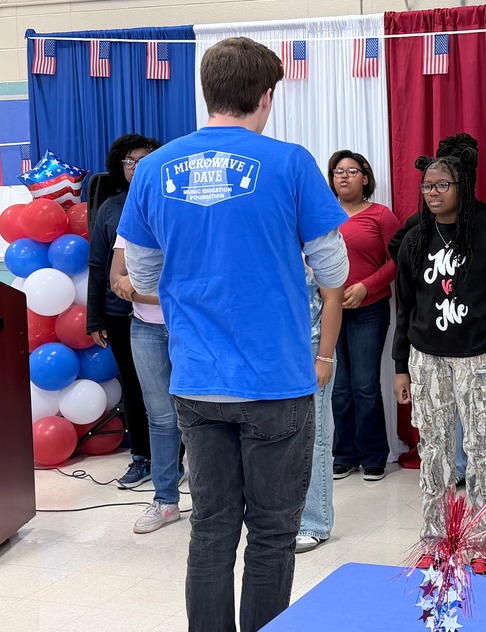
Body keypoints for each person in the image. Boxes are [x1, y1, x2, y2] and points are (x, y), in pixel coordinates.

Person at [117, 37, 349, 632]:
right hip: (276, 381)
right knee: (273, 536)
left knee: (211, 530)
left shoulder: (155, 168)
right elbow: (335, 271)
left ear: (207, 92)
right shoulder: (291, 162)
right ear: (266, 97)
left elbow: (141, 275)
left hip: (196, 380)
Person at [392, 149, 486, 577]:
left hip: (481, 358)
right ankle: (437, 538)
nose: (432, 193)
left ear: (461, 188)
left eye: (441, 185)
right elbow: (404, 309)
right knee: (433, 450)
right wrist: (400, 366)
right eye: (427, 186)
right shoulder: (414, 240)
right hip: (426, 358)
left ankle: (484, 542)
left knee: (483, 449)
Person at [86, 134, 161, 488]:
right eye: (130, 160)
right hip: (119, 313)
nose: (136, 166)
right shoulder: (110, 208)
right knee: (133, 386)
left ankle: (171, 460)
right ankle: (141, 457)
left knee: (168, 387)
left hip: (165, 311)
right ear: (119, 165)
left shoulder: (168, 202)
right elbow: (98, 266)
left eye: (145, 159)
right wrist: (94, 317)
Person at [327, 150, 399, 482]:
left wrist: (366, 287)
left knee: (365, 385)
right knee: (339, 387)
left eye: (351, 171)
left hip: (369, 310)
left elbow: (397, 262)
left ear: (366, 178)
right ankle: (344, 454)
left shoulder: (382, 215)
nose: (343, 176)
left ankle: (373, 456)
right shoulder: (321, 214)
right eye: (338, 171)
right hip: (330, 311)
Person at [109, 236, 184, 533]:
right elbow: (116, 279)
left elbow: (194, 285)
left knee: (202, 414)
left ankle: (213, 502)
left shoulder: (186, 209)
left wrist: (140, 290)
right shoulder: (132, 223)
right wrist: (160, 292)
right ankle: (165, 501)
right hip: (144, 328)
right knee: (161, 418)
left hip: (190, 323)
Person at [296, 267, 342, 553]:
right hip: (271, 345)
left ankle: (314, 522)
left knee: (314, 435)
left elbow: (333, 297)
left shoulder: (315, 232)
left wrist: (324, 356)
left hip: (311, 343)